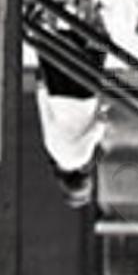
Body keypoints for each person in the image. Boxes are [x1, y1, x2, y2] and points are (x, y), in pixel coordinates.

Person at [33, 15, 108, 210]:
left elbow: (97, 128)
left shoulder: (81, 158)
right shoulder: (53, 151)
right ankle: (51, 17)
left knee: (95, 50)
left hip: (83, 99)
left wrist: (103, 114)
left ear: (83, 178)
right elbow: (46, 117)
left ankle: (87, 12)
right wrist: (41, 88)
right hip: (58, 98)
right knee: (56, 52)